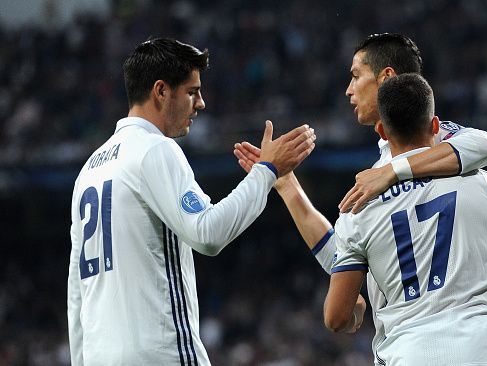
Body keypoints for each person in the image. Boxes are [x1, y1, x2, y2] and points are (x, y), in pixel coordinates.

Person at [233, 33, 487, 362]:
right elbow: (347, 254)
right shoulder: (376, 172)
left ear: (386, 77)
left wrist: (393, 171)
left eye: (356, 76)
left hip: (418, 344)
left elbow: (485, 145)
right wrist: (288, 186)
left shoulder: (438, 140)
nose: (348, 89)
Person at [67, 38, 316, 366]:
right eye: (191, 91)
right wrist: (267, 172)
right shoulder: (154, 149)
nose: (201, 103)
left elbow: (76, 293)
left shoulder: (89, 170)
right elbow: (207, 233)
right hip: (161, 355)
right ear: (161, 91)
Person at [324, 73, 487, 364]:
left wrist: (356, 312)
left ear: (382, 131)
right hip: (484, 351)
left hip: (408, 353)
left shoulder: (359, 207)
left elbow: (336, 318)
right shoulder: (486, 183)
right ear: (436, 125)